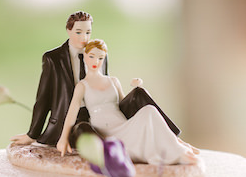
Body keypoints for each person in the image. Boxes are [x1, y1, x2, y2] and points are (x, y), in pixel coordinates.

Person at [11, 12, 181, 150]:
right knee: (87, 135)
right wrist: (32, 134)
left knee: (139, 94)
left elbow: (105, 86)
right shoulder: (53, 59)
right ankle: (112, 151)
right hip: (73, 120)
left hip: (103, 113)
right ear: (69, 30)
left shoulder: (97, 53)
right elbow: (43, 98)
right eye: (78, 32)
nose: (83, 37)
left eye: (87, 32)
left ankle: (172, 137)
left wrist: (134, 88)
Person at [57, 39, 198, 165]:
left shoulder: (113, 81)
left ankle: (176, 146)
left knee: (150, 110)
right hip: (105, 130)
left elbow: (126, 105)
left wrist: (136, 88)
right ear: (85, 56)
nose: (95, 61)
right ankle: (175, 148)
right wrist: (63, 138)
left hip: (122, 123)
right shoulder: (83, 85)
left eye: (100, 58)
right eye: (92, 56)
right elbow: (72, 112)